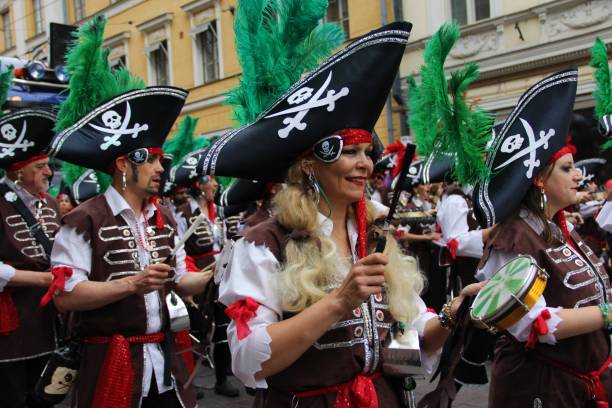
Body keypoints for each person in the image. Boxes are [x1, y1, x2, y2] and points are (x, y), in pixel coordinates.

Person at [200, 22, 484, 407]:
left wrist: (456, 312)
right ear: (309, 165)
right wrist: (338, 301)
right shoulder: (264, 243)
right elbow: (249, 361)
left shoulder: (375, 235)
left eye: (367, 153)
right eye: (349, 152)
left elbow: (411, 333)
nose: (364, 165)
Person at [45, 17, 210, 408]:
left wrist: (217, 273)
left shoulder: (164, 217)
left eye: (161, 160)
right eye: (151, 161)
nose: (160, 169)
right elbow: (66, 296)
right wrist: (132, 284)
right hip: (109, 365)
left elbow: (182, 282)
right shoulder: (83, 218)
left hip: (166, 363)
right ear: (123, 165)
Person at [473, 69, 612, 407]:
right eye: (567, 168)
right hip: (541, 388)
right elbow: (533, 325)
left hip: (581, 383)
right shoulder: (514, 236)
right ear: (538, 180)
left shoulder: (560, 226)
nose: (579, 174)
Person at [0, 106, 59, 408]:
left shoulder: (49, 203)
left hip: (48, 321)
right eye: (40, 167)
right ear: (17, 170)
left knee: (45, 397)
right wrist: (42, 278)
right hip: (10, 325)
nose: (49, 172)